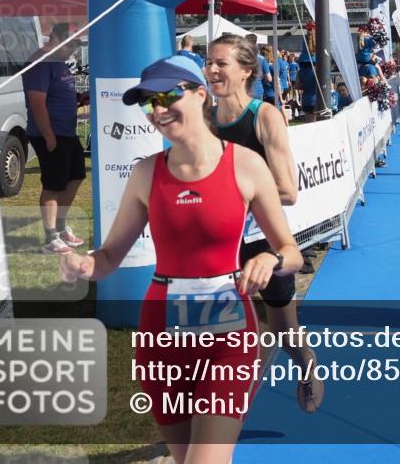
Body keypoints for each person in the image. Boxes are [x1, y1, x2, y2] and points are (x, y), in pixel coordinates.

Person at [60, 55, 303, 462]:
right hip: (161, 341)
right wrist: (83, 264)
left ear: (200, 94)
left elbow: (291, 251)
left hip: (229, 338)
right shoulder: (146, 173)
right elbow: (107, 258)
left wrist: (271, 261)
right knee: (183, 455)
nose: (157, 110)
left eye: (168, 95)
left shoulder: (246, 165)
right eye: (148, 102)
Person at [205, 35, 325, 412]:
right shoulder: (205, 117)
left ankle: (306, 363)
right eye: (209, 62)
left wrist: (233, 191)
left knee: (285, 332)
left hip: (262, 240)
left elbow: (288, 190)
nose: (211, 70)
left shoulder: (265, 116)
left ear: (246, 71)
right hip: (218, 241)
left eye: (220, 63)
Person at [23, 22, 86, 254]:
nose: (74, 50)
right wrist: (49, 137)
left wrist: (79, 98)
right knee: (53, 184)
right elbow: (37, 102)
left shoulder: (59, 63)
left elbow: (59, 92)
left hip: (67, 131)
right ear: (55, 39)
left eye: (77, 45)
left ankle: (59, 226)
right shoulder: (40, 63)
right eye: (71, 44)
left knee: (76, 176)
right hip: (50, 133)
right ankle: (51, 237)